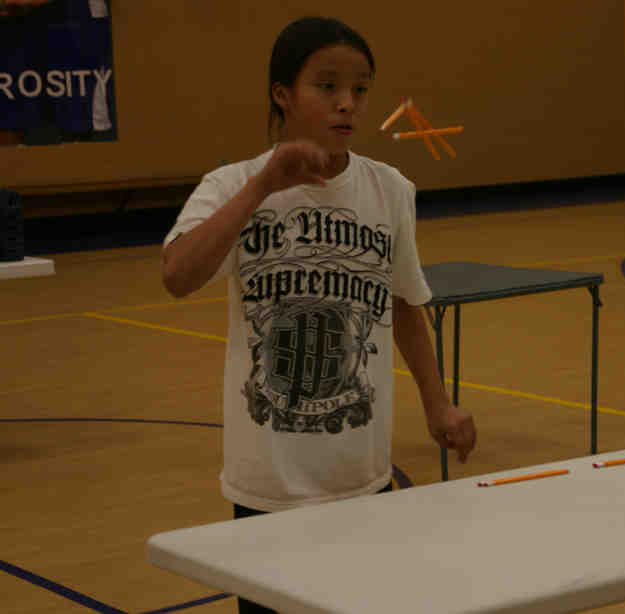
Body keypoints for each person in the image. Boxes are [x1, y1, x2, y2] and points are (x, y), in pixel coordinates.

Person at [161, 16, 476, 614]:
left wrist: (438, 403)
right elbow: (178, 276)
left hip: (361, 477)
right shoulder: (230, 184)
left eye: (359, 89)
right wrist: (262, 187)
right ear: (283, 94)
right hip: (267, 488)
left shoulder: (390, 190)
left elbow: (406, 302)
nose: (346, 104)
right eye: (326, 86)